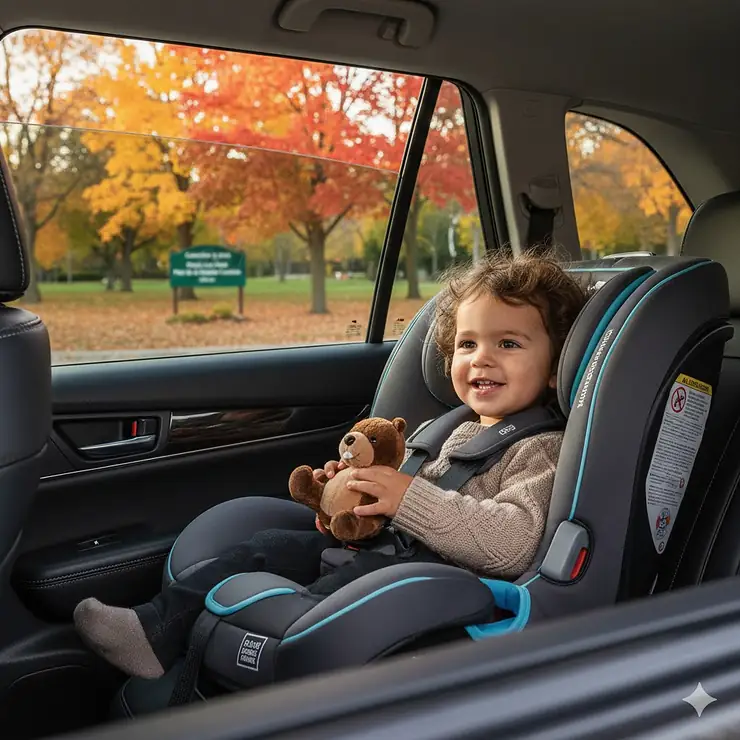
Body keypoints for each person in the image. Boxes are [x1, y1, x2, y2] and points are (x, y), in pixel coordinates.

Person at [73, 250, 587, 680]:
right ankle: (152, 629)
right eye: (467, 344)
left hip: (429, 586)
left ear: (556, 364)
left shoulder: (539, 448)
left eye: (509, 344)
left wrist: (407, 497)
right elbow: (394, 509)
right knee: (266, 546)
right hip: (384, 552)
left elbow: (513, 543)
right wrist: (347, 505)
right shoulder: (447, 429)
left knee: (325, 595)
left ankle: (277, 664)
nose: (481, 358)